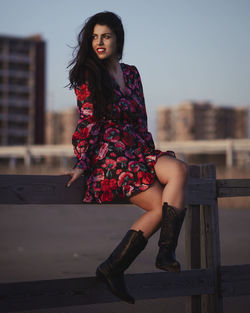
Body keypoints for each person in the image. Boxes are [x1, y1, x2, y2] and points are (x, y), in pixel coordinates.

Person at [66, 11, 188, 304]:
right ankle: (112, 267)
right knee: (159, 207)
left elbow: (141, 117)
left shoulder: (131, 72)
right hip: (110, 153)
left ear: (117, 39)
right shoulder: (88, 74)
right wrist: (83, 162)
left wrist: (150, 155)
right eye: (94, 37)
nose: (99, 42)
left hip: (138, 147)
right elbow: (88, 121)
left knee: (180, 170)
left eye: (105, 36)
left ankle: (166, 252)